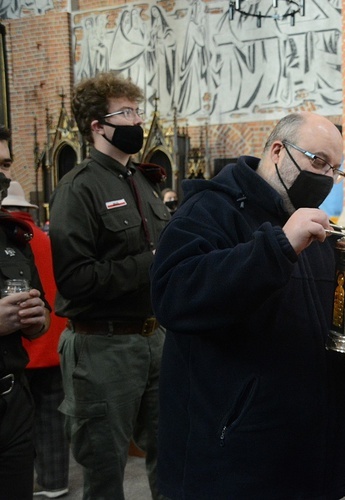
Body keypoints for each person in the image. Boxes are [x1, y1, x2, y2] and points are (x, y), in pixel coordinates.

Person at [150, 111, 345, 498]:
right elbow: (174, 296)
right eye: (318, 161)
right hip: (235, 467)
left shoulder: (318, 229)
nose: (326, 177)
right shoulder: (209, 211)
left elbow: (338, 319)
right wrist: (278, 247)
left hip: (311, 463)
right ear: (278, 151)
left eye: (336, 169)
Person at [49, 72, 170, 500]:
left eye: (137, 111)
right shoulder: (77, 189)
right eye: (125, 113)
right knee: (104, 471)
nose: (136, 120)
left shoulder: (142, 181)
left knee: (171, 457)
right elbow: (76, 279)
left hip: (154, 338)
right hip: (103, 347)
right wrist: (151, 263)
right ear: (97, 126)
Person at [3, 181, 69, 499]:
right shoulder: (44, 237)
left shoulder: (19, 240)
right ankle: (56, 480)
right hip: (51, 336)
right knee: (52, 417)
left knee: (31, 420)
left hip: (29, 348)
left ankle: (44, 479)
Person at [0, 127, 52, 500]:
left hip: (13, 403)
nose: (2, 175)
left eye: (4, 164)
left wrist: (38, 319)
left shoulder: (13, 237)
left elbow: (44, 315)